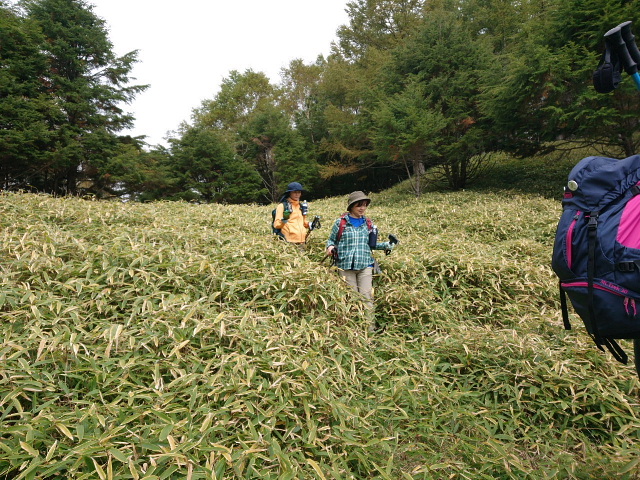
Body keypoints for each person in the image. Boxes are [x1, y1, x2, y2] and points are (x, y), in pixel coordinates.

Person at [325, 191, 395, 332]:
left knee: (366, 298)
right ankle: (353, 330)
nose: (362, 208)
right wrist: (330, 247)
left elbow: (372, 245)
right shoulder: (341, 222)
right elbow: (331, 240)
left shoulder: (369, 223)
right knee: (351, 298)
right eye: (359, 205)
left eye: (364, 205)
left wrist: (387, 245)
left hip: (365, 265)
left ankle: (369, 329)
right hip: (345, 266)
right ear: (351, 206)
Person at [273, 182, 310, 246]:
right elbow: (276, 224)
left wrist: (310, 224)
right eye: (294, 192)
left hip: (302, 241)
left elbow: (304, 223)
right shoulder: (282, 206)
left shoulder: (301, 206)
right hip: (289, 242)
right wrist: (283, 221)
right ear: (289, 193)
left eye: (299, 192)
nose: (297, 194)